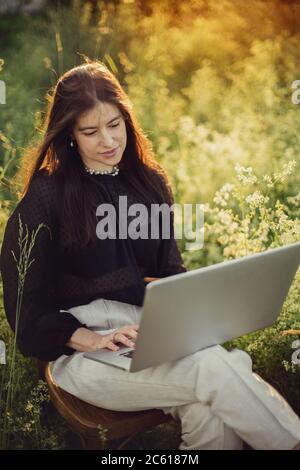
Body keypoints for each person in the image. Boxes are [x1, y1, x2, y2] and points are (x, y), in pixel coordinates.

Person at [1, 60, 300, 451]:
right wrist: (89, 338)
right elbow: (25, 311)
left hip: (149, 331)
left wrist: (194, 309)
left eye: (115, 125)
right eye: (90, 132)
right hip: (78, 353)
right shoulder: (47, 195)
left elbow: (169, 271)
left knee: (205, 405)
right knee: (220, 368)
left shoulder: (148, 182)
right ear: (69, 135)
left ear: (126, 118)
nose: (108, 141)